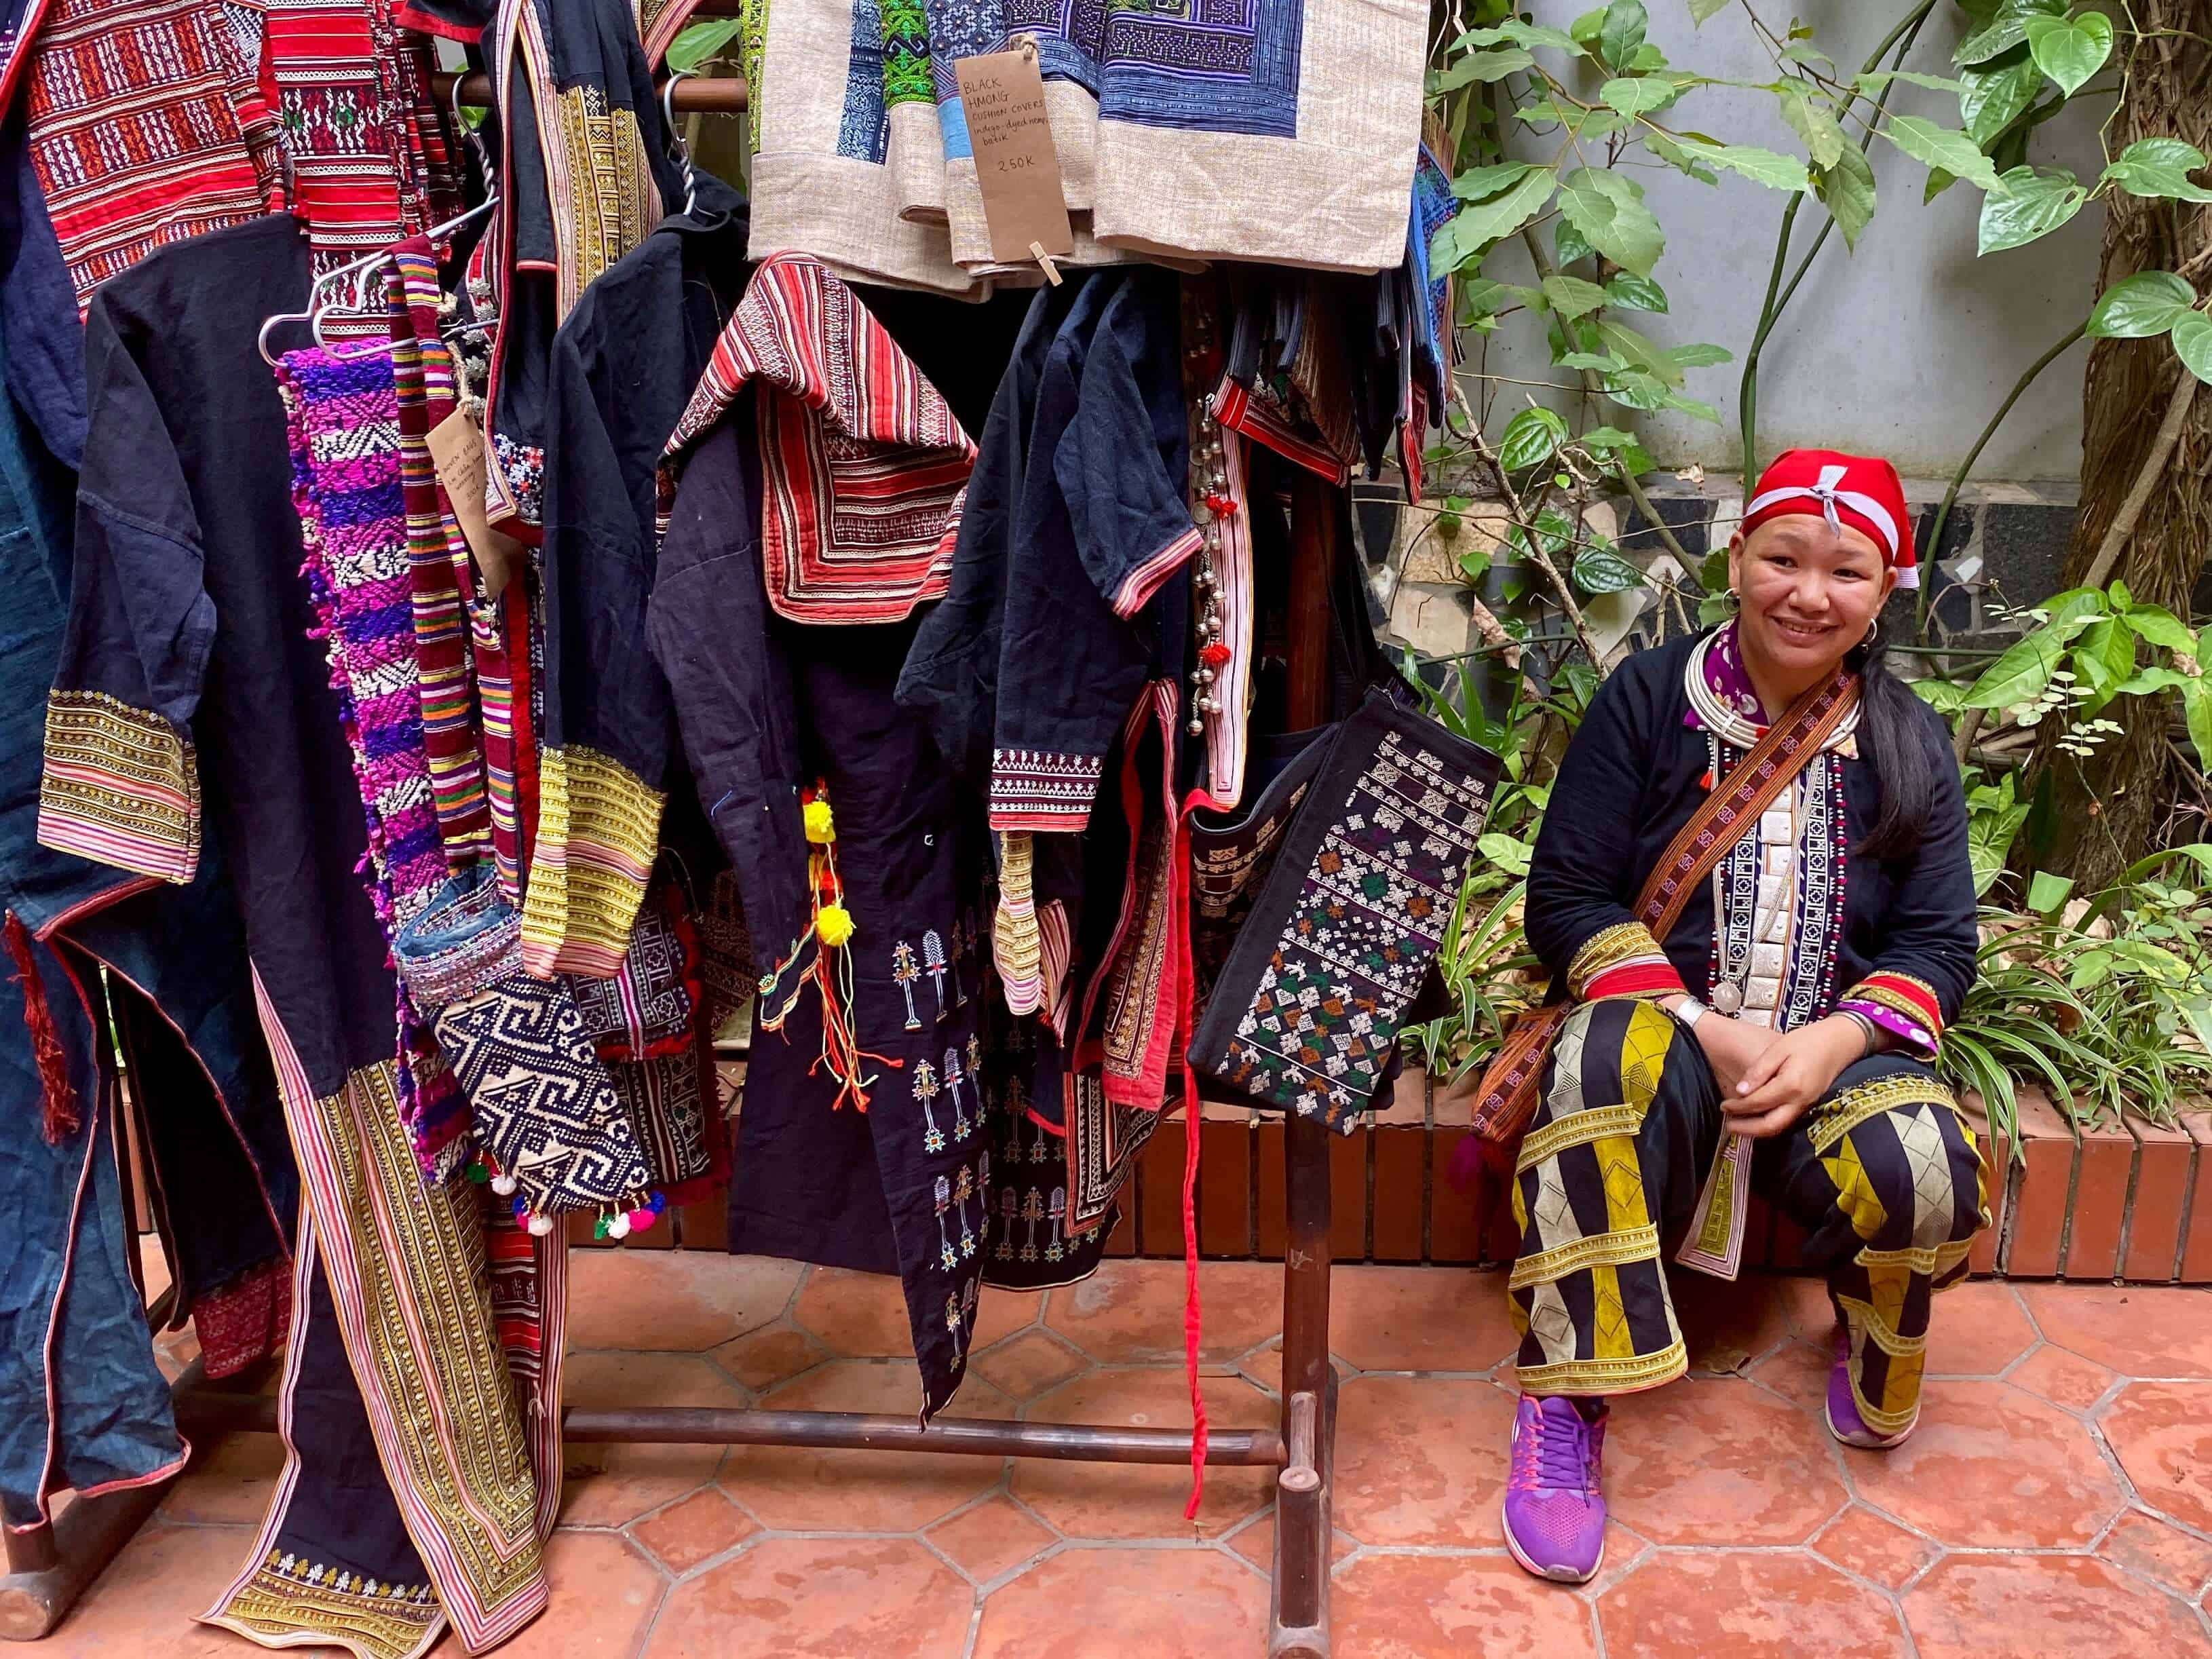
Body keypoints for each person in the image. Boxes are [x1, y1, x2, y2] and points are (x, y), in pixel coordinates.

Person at [1500, 449, 1987, 1584]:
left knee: (1923, 1155)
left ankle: (1875, 1333)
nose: (1808, 593)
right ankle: (1568, 1396)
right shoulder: (1645, 700)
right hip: (1673, 1042)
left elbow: (1937, 945)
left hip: (1827, 1072)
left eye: (1845, 571)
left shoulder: (1911, 740)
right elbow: (1565, 896)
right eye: (1783, 558)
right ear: (1736, 559)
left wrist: (1832, 1043)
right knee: (1606, 1055)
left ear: (1884, 590)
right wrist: (1705, 1028)